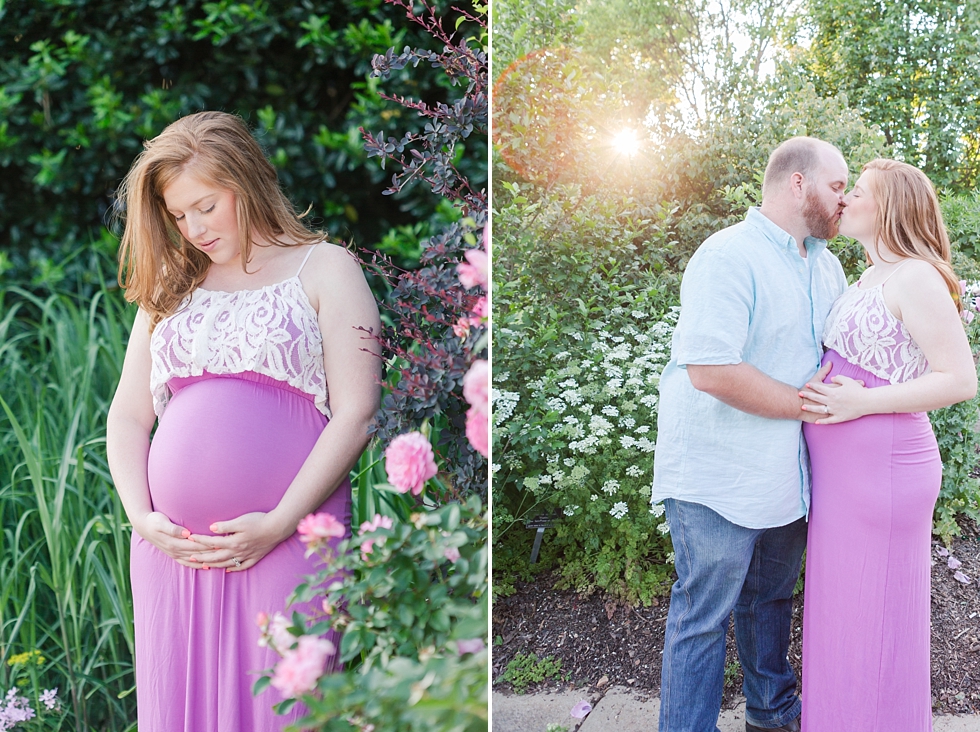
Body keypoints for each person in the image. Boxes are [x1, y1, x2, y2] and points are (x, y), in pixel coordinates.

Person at [105, 111, 382, 730]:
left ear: (246, 181)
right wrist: (142, 519)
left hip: (288, 536)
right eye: (179, 215)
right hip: (172, 551)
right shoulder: (172, 288)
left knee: (284, 710)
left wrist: (280, 523)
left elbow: (357, 413)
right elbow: (126, 417)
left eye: (206, 205)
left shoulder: (325, 268)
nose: (194, 228)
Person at [651, 136, 850, 732]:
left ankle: (771, 716)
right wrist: (805, 406)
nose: (844, 199)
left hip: (787, 476)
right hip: (720, 473)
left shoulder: (829, 263)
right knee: (703, 617)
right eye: (836, 186)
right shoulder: (727, 255)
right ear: (798, 183)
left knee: (769, 607)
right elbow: (711, 370)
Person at [798, 159, 976, 730]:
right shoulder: (867, 276)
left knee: (873, 619)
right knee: (841, 617)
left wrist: (861, 403)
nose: (844, 201)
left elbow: (959, 379)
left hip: (885, 468)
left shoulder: (917, 276)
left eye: (860, 194)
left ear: (892, 207)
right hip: (843, 475)